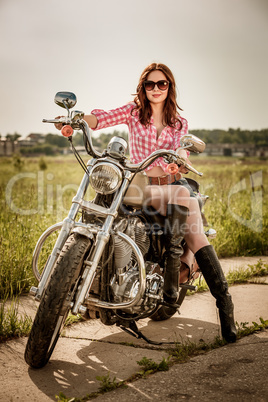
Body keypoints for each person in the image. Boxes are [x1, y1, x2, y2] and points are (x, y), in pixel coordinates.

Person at [55, 63, 237, 343]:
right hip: (136, 187)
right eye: (149, 84)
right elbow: (101, 118)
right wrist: (77, 120)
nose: (155, 89)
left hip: (168, 188)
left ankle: (225, 306)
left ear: (169, 87)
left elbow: (182, 154)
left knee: (193, 224)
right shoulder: (133, 112)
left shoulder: (178, 123)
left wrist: (179, 165)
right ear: (143, 88)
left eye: (161, 84)